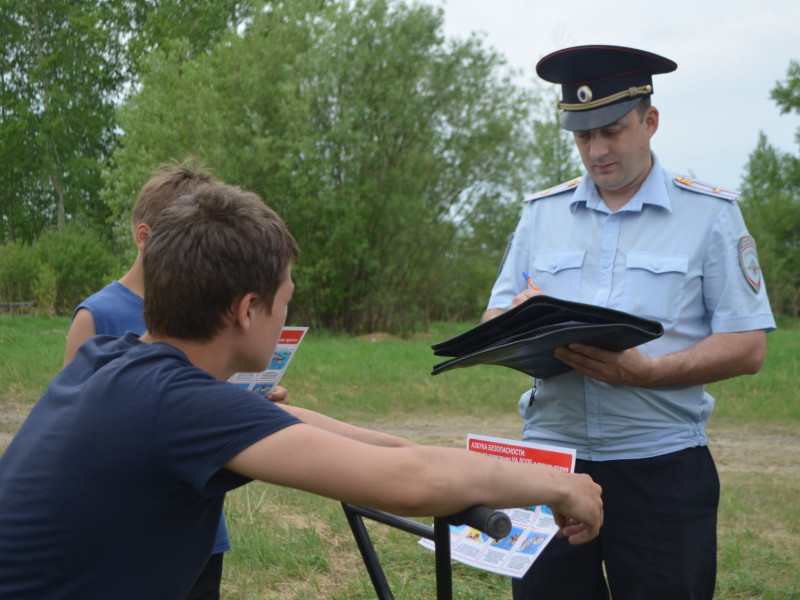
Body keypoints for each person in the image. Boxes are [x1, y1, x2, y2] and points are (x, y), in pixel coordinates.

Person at [0, 184, 603, 598]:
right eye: (286, 298)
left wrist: (399, 445)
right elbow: (414, 482)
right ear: (247, 310)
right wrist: (557, 485)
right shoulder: (182, 406)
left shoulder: (114, 361)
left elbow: (337, 439)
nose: (290, 311)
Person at [482, 45, 775, 600]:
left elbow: (747, 345)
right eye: (582, 135)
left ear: (651, 122)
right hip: (551, 465)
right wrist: (514, 325)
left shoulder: (710, 215)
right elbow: (495, 314)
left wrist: (648, 372)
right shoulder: (541, 214)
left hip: (660, 467)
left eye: (612, 131)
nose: (596, 150)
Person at [61, 158, 286, 600]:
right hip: (130, 532)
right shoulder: (97, 314)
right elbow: (80, 424)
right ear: (145, 237)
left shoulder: (211, 311)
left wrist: (249, 400)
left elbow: (200, 399)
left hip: (200, 518)